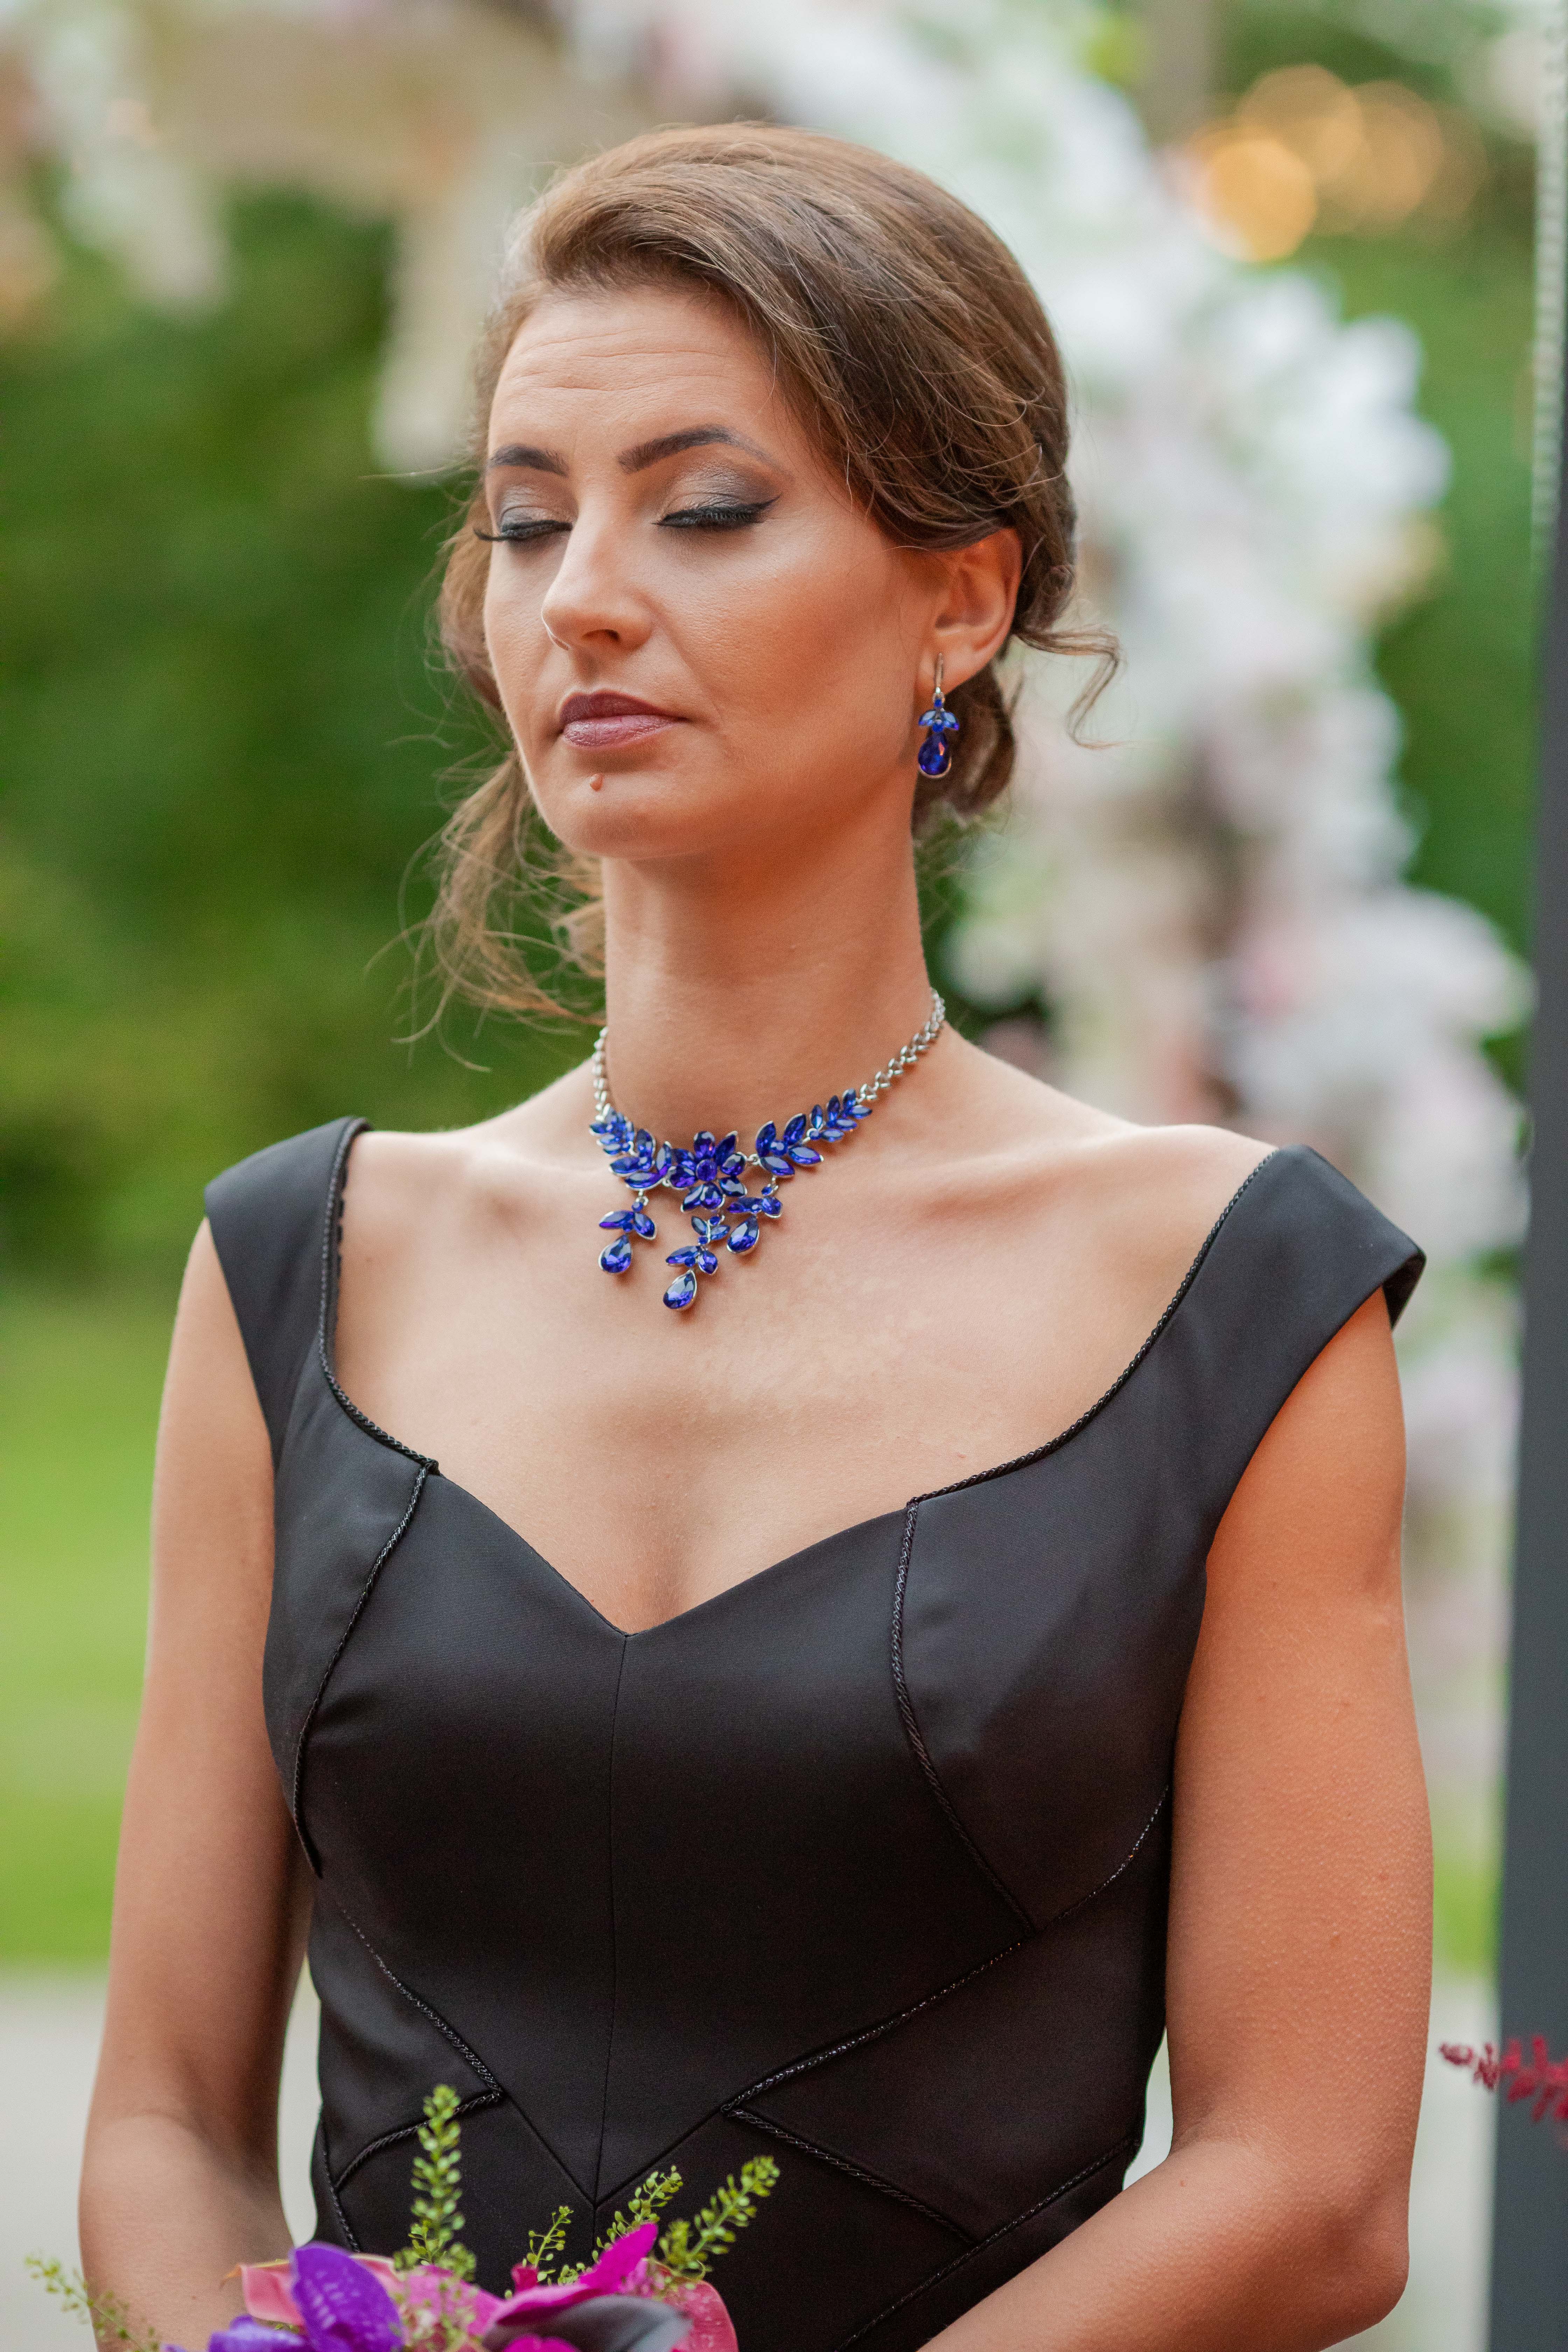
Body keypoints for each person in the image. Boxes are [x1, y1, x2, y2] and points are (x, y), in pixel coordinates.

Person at [80, 124, 1432, 2352]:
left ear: (961, 598)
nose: (585, 595)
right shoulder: (301, 1267)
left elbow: (1311, 2189)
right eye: (529, 520)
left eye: (702, 509)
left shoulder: (1234, 1301)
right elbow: (160, 2121)